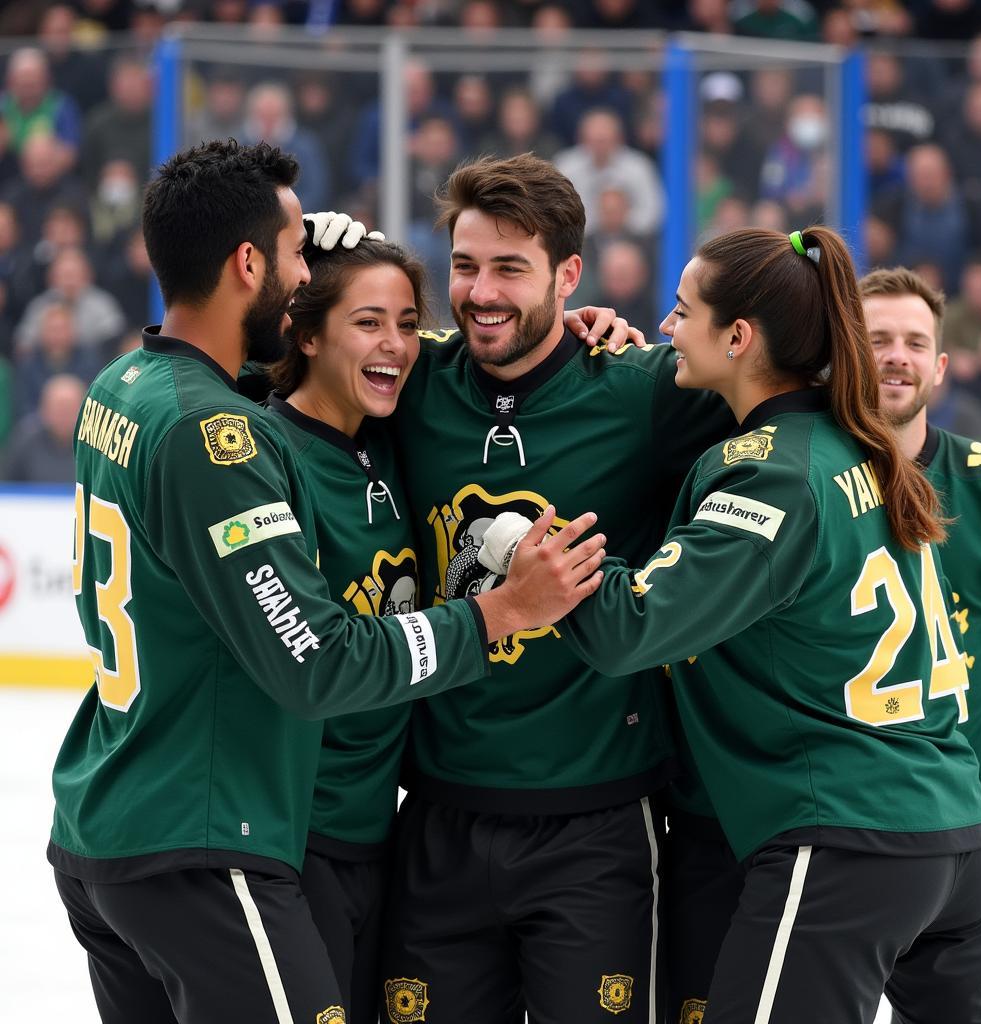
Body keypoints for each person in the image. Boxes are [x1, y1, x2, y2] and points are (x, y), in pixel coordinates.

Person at [48, 139, 606, 1024]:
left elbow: (316, 349)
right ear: (248, 264)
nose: (307, 268)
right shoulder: (217, 434)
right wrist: (500, 614)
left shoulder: (126, 382)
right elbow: (316, 664)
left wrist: (561, 332)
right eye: (296, 255)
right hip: (205, 836)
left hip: (111, 824)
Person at [556, 226, 981, 1023]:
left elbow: (631, 626)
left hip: (847, 836)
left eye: (680, 310)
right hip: (957, 830)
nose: (665, 328)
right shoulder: (865, 445)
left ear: (737, 337)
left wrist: (523, 557)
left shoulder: (771, 468)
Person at [365, 153, 734, 1023]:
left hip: (599, 828)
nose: (481, 291)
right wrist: (315, 244)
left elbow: (785, 394)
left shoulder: (640, 391)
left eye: (510, 269)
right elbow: (287, 350)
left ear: (569, 275)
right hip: (438, 817)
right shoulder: (414, 381)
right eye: (464, 265)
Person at [265, 235, 429, 1024]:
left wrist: (587, 323)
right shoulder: (267, 456)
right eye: (368, 322)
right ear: (304, 331)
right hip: (295, 842)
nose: (395, 344)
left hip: (384, 833)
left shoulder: (393, 440)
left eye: (407, 322)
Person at [860, 266, 981, 1017]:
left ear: (941, 366)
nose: (897, 355)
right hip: (839, 831)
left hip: (969, 825)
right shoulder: (790, 478)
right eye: (877, 339)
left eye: (914, 342)